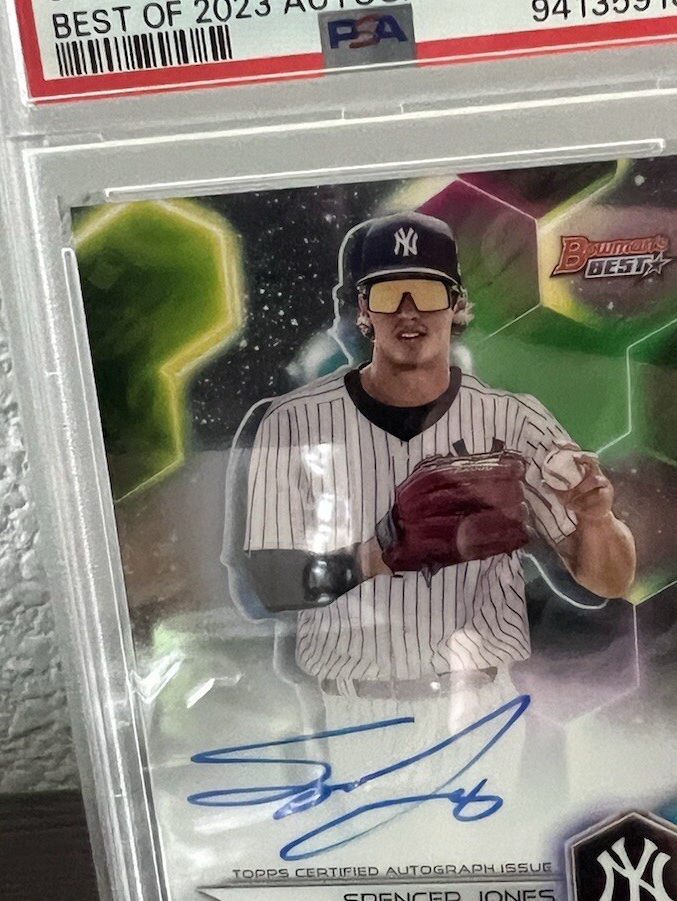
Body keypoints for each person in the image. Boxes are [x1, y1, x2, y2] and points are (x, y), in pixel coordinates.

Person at [232, 210, 635, 701]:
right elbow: (267, 587)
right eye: (388, 294)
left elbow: (611, 581)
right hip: (348, 706)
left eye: (426, 292)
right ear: (363, 308)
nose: (408, 312)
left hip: (482, 702)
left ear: (456, 303)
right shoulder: (293, 422)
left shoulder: (515, 420)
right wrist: (376, 554)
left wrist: (596, 518)